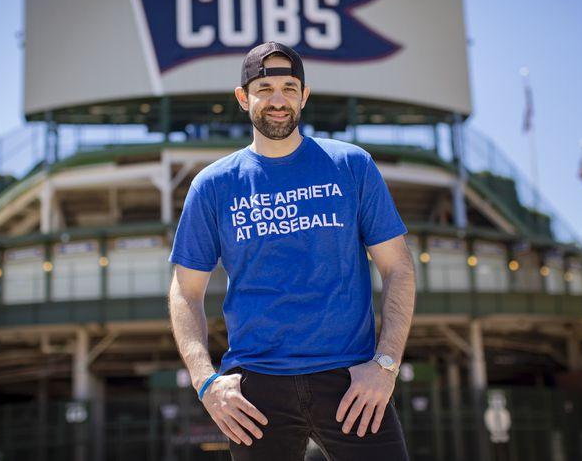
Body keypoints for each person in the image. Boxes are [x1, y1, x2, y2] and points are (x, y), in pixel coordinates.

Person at [168, 41, 415, 461]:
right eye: (264, 88)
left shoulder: (352, 166)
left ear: (304, 95)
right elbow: (184, 291)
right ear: (243, 98)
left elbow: (399, 269)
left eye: (288, 86)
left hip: (353, 381)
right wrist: (206, 382)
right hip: (256, 390)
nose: (277, 100)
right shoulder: (213, 185)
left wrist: (386, 365)